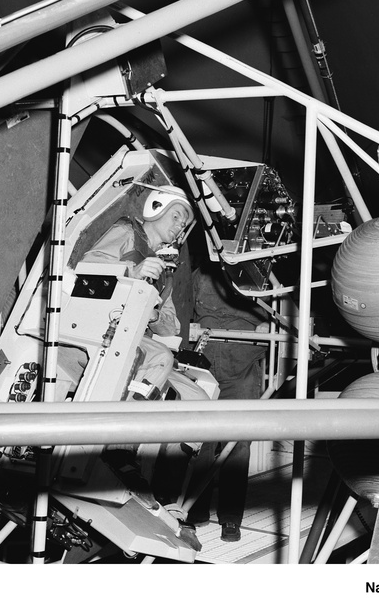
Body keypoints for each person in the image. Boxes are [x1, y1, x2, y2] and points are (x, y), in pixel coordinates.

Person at [80, 183, 194, 400]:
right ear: (156, 208)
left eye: (184, 223)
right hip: (102, 326)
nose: (180, 226)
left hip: (134, 337)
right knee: (161, 357)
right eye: (176, 217)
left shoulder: (163, 273)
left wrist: (154, 315)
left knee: (196, 397)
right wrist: (133, 272)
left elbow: (171, 328)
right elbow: (90, 264)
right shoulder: (126, 233)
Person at [186, 265, 268, 542]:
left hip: (242, 366)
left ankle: (231, 517)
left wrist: (271, 327)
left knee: (238, 444)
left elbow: (284, 313)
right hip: (206, 364)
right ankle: (195, 510)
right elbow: (183, 310)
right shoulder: (201, 275)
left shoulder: (263, 275)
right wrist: (188, 326)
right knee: (200, 441)